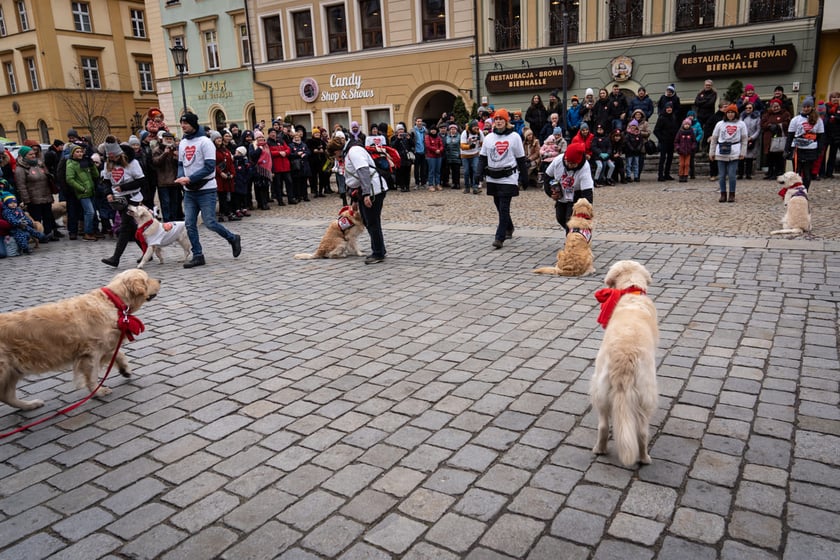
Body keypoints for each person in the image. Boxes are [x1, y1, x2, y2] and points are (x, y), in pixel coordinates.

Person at [175, 112, 241, 268]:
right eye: (182, 123)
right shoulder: (183, 143)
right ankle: (198, 255)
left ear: (193, 124)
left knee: (210, 222)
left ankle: (232, 238)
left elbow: (210, 167)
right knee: (189, 224)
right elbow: (181, 164)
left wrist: (190, 178)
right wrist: (181, 176)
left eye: (186, 123)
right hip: (189, 191)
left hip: (206, 189)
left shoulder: (205, 142)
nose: (183, 126)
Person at [326, 134, 388, 264]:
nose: (336, 158)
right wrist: (354, 199)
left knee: (372, 222)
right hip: (364, 191)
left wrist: (366, 194)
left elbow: (363, 172)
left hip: (373, 190)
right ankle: (379, 249)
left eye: (334, 156)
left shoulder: (354, 151)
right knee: (368, 221)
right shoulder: (349, 152)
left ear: (337, 151)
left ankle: (378, 253)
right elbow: (353, 178)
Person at [476, 109, 528, 249]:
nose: (498, 121)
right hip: (493, 177)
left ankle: (500, 237)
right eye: (497, 119)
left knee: (504, 207)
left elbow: (521, 159)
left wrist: (524, 177)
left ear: (506, 121)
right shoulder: (489, 138)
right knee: (498, 205)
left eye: (501, 119)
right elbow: (483, 157)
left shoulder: (514, 137)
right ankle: (509, 227)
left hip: (508, 177)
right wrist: (478, 173)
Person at [100, 137, 146, 267]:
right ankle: (148, 251)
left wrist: (124, 187)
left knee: (125, 227)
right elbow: (106, 181)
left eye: (115, 157)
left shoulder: (133, 163)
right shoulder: (108, 164)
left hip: (132, 198)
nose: (113, 160)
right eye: (111, 158)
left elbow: (141, 181)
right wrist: (108, 193)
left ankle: (116, 258)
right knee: (131, 228)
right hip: (119, 200)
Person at [543, 141, 594, 233]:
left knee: (570, 220)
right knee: (560, 217)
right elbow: (547, 176)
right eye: (568, 162)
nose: (570, 165)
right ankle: (574, 232)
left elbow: (587, 192)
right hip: (561, 192)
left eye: (573, 164)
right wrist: (550, 193)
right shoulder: (558, 160)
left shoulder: (585, 168)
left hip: (577, 194)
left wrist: (586, 211)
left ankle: (572, 238)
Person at [14, 145, 61, 241]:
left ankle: (48, 234)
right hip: (33, 198)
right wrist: (26, 199)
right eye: (30, 154)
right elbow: (21, 186)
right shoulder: (20, 169)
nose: (33, 155)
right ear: (24, 156)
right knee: (36, 218)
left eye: (33, 154)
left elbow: (47, 176)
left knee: (48, 216)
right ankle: (38, 236)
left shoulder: (39, 164)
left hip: (46, 195)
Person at [710, 104, 748, 202]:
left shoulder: (741, 124)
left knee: (732, 175)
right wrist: (712, 152)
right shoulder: (720, 124)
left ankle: (732, 194)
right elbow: (714, 138)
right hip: (721, 151)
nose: (730, 114)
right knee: (722, 175)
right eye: (728, 112)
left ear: (736, 113)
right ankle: (723, 193)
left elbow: (744, 139)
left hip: (734, 151)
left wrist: (743, 152)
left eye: (732, 112)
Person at [785, 96, 824, 191]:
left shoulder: (818, 120)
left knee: (807, 173)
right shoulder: (795, 120)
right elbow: (790, 136)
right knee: (797, 172)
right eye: (804, 107)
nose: (806, 109)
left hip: (810, 149)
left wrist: (819, 150)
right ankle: (796, 190)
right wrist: (787, 150)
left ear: (812, 107)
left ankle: (804, 191)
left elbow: (821, 137)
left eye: (808, 107)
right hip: (797, 149)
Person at [64, 143, 99, 240]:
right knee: (90, 212)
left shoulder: (84, 162)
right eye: (77, 152)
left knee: (91, 212)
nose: (80, 153)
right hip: (83, 192)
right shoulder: (71, 164)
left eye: (81, 152)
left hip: (91, 190)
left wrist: (92, 166)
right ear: (72, 153)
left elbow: (96, 175)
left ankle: (91, 231)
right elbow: (70, 179)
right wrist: (82, 188)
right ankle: (87, 232)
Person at [152, 131, 182, 222]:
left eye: (170, 139)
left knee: (175, 202)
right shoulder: (157, 150)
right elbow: (156, 162)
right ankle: (167, 220)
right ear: (162, 140)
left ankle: (174, 220)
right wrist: (165, 154)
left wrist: (177, 157)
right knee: (165, 202)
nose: (169, 141)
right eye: (167, 139)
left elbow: (180, 164)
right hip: (163, 182)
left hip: (174, 181)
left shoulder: (175, 149)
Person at [761, 98, 792, 180]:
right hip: (769, 139)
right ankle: (770, 172)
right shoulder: (767, 114)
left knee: (779, 157)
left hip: (779, 138)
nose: (775, 108)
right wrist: (769, 125)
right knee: (770, 157)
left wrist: (778, 125)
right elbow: (762, 124)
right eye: (774, 106)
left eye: (777, 106)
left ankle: (778, 172)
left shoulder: (785, 114)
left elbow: (787, 123)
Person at [210, 131, 238, 223]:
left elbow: (230, 162)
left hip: (228, 176)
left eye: (220, 138)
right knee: (222, 196)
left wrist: (233, 173)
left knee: (227, 196)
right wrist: (220, 172)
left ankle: (225, 213)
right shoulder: (212, 151)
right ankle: (225, 214)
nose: (219, 140)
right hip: (219, 177)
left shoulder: (225, 150)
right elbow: (213, 164)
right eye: (217, 138)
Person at [705, 101, 729, 181]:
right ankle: (713, 174)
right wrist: (709, 136)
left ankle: (723, 174)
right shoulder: (714, 117)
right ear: (720, 108)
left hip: (725, 140)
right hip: (715, 140)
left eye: (727, 107)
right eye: (725, 107)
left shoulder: (729, 117)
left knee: (724, 158)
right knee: (713, 158)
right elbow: (707, 127)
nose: (726, 108)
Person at [268, 129, 293, 205]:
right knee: (278, 185)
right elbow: (269, 152)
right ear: (269, 134)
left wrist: (285, 152)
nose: (273, 134)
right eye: (271, 133)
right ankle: (280, 200)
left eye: (274, 132)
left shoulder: (281, 140)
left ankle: (290, 199)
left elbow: (288, 149)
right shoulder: (268, 142)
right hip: (276, 167)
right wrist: (279, 153)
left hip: (285, 166)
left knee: (289, 182)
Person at [654, 102, 677, 181]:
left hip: (671, 141)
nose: (669, 109)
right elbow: (656, 130)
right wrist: (661, 139)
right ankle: (660, 175)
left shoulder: (673, 117)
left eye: (670, 108)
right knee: (662, 158)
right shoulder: (662, 118)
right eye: (667, 108)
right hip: (664, 141)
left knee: (670, 158)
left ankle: (667, 174)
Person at [460, 119, 484, 195]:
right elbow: (462, 146)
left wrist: (480, 150)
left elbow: (483, 143)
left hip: (475, 154)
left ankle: (475, 187)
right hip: (465, 155)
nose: (476, 128)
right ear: (470, 127)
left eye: (477, 126)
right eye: (474, 127)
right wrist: (469, 146)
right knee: (466, 171)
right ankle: (467, 187)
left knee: (475, 170)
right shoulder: (465, 133)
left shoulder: (480, 132)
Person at [739, 103, 761, 180]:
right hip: (742, 139)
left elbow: (758, 129)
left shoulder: (757, 118)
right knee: (741, 157)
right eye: (746, 108)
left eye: (750, 108)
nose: (748, 109)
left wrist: (752, 137)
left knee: (750, 158)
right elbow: (739, 128)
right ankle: (740, 174)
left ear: (753, 109)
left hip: (752, 139)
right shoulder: (741, 117)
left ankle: (748, 174)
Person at [289, 130, 311, 202]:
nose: (297, 138)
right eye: (295, 137)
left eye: (298, 137)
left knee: (304, 182)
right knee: (297, 182)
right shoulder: (291, 145)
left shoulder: (304, 144)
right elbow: (290, 154)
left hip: (304, 165)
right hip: (296, 166)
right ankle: (298, 196)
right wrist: (297, 154)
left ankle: (305, 196)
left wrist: (305, 154)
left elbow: (308, 152)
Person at [390, 124, 414, 193]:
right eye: (399, 129)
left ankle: (407, 186)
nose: (401, 131)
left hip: (407, 157)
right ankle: (402, 186)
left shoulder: (407, 136)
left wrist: (409, 139)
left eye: (402, 129)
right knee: (401, 173)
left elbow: (413, 145)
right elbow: (393, 146)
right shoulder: (394, 137)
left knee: (407, 172)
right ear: (397, 131)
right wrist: (398, 139)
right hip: (399, 157)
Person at [307, 127, 329, 197]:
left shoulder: (322, 141)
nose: (317, 134)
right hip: (313, 162)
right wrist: (315, 150)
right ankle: (315, 191)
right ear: (313, 134)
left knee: (322, 176)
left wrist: (322, 150)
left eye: (318, 133)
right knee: (314, 178)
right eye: (315, 133)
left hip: (321, 161)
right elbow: (310, 150)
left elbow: (325, 149)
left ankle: (320, 191)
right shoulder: (310, 141)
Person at [674, 118, 698, 183]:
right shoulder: (680, 132)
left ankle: (685, 175)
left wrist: (693, 147)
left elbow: (694, 141)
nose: (686, 125)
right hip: (681, 151)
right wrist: (678, 147)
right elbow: (676, 141)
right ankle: (681, 175)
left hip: (688, 151)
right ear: (683, 125)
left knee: (687, 164)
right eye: (685, 124)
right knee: (681, 164)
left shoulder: (691, 132)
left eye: (688, 124)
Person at [823, 91, 840, 179]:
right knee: (822, 154)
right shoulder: (826, 107)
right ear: (830, 99)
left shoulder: (839, 108)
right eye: (834, 97)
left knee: (833, 155)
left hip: (836, 135)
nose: (836, 99)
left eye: (837, 97)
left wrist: (835, 117)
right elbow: (824, 118)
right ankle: (821, 173)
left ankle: (829, 173)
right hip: (826, 134)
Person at [424, 125, 443, 191]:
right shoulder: (427, 137)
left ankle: (437, 184)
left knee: (438, 171)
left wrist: (440, 150)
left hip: (438, 156)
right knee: (431, 171)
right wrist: (435, 150)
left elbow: (441, 145)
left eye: (434, 129)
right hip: (431, 156)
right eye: (432, 129)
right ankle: (431, 185)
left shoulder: (438, 137)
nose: (433, 131)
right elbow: (428, 145)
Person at [443, 124, 462, 190]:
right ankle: (453, 183)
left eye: (454, 129)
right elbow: (446, 146)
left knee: (456, 171)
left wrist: (460, 154)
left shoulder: (459, 136)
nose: (453, 130)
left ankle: (457, 184)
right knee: (451, 171)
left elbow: (461, 146)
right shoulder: (447, 137)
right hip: (449, 156)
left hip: (456, 156)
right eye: (451, 129)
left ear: (456, 130)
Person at [411, 117, 428, 189]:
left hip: (423, 151)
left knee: (423, 168)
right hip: (416, 152)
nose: (419, 123)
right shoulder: (412, 131)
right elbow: (411, 141)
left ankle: (423, 182)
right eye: (418, 121)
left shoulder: (425, 131)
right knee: (416, 169)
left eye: (420, 121)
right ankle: (417, 183)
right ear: (415, 122)